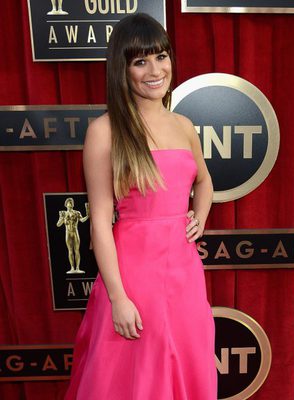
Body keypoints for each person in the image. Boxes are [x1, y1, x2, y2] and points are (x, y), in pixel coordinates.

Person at [65, 13, 217, 399]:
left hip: (184, 273)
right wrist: (118, 297)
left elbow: (204, 180)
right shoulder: (105, 130)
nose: (155, 70)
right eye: (140, 61)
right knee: (131, 376)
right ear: (123, 69)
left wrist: (198, 217)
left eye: (161, 56)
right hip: (134, 273)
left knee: (187, 361)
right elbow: (99, 221)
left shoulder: (183, 125)